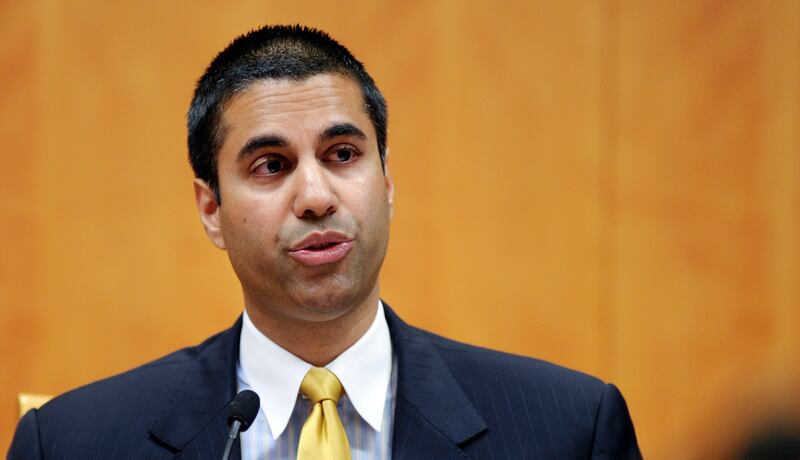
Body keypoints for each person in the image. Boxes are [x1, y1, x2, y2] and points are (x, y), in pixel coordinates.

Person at [8, 25, 641, 459]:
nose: (316, 196)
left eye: (342, 154)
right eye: (271, 165)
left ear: (386, 183)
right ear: (211, 209)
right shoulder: (70, 442)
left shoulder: (569, 429)